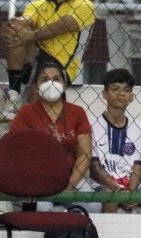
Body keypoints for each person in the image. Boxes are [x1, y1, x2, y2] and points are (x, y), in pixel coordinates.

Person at [1, 0, 95, 115]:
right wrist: (10, 27)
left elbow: (63, 24)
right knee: (17, 29)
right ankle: (13, 95)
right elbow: (24, 21)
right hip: (35, 57)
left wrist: (30, 35)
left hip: (61, 64)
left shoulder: (85, 5)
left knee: (40, 89)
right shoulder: (38, 4)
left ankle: (31, 120)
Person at [87, 67, 141, 214]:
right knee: (110, 197)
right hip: (102, 185)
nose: (121, 94)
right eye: (115, 89)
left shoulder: (139, 127)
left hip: (133, 187)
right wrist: (118, 191)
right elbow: (95, 168)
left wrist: (130, 193)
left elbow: (137, 167)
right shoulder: (91, 124)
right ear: (105, 94)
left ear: (132, 96)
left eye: (126, 90)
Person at [10, 60, 93, 197]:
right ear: (36, 85)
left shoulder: (77, 112)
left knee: (93, 206)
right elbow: (17, 152)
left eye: (56, 79)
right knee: (42, 208)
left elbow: (85, 154)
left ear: (64, 84)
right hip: (35, 179)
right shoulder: (25, 113)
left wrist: (70, 183)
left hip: (71, 177)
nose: (51, 84)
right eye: (44, 79)